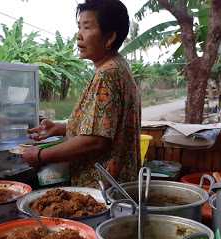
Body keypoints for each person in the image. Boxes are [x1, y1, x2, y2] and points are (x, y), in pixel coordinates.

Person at [22, 0, 141, 188]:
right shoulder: (118, 65)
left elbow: (94, 141)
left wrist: (39, 155)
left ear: (109, 38)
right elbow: (103, 126)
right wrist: (61, 128)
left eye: (87, 27)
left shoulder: (106, 74)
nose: (79, 35)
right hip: (118, 185)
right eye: (79, 27)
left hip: (101, 189)